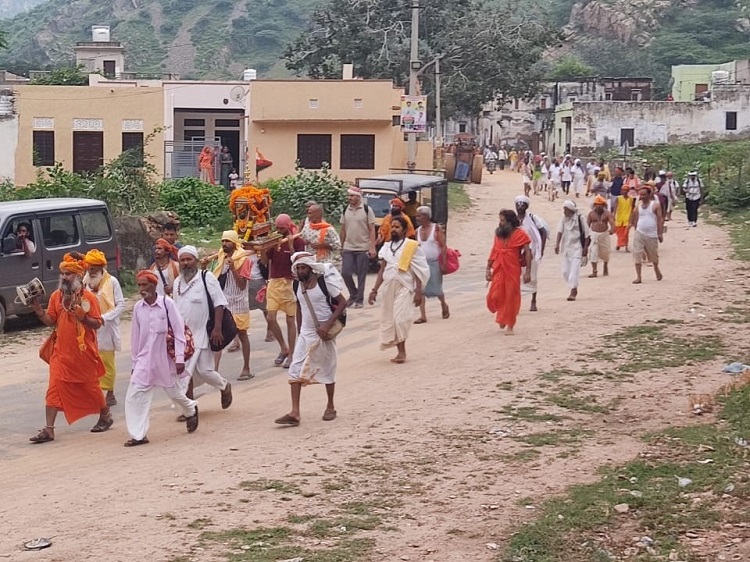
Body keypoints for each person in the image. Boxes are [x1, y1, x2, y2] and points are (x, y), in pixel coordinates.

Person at [28, 252, 113, 443]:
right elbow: (51, 320)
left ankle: (105, 414)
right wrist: (38, 310)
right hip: (61, 353)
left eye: (69, 274)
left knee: (90, 387)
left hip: (83, 353)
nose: (64, 277)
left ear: (78, 275)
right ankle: (49, 430)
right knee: (53, 388)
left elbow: (97, 324)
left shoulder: (88, 298)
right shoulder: (56, 296)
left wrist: (83, 318)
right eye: (63, 274)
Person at [124, 271, 199, 446]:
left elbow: (179, 332)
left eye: (145, 285)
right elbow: (135, 338)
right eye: (139, 285)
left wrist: (179, 358)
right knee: (135, 395)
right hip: (144, 359)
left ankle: (190, 409)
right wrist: (135, 363)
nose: (141, 289)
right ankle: (138, 435)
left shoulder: (167, 303)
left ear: (154, 285)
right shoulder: (138, 308)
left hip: (165, 359)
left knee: (174, 393)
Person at [274, 252, 347, 427]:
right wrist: (300, 330)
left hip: (324, 332)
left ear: (311, 268)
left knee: (328, 368)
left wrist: (327, 325)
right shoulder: (297, 285)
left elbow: (343, 302)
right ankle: (295, 412)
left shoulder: (324, 283)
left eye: (303, 268)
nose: (300, 271)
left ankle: (330, 406)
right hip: (306, 333)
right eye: (298, 268)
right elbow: (300, 307)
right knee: (295, 369)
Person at [173, 245, 234, 411]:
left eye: (189, 259)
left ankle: (224, 386)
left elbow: (219, 303)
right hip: (183, 336)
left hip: (202, 333)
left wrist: (217, 328)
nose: (185, 263)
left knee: (206, 371)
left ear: (196, 261)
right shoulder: (177, 283)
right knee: (185, 372)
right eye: (182, 260)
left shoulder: (206, 277)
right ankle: (189, 409)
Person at [368, 216, 429, 364]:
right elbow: (382, 270)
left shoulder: (412, 246)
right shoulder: (386, 247)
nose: (394, 229)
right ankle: (399, 350)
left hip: (405, 287)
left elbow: (418, 270)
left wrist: (419, 291)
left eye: (397, 227)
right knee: (390, 319)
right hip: (389, 287)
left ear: (404, 230)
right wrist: (374, 290)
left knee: (400, 319)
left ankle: (402, 352)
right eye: (392, 227)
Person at [262, 215, 305, 368]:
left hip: (290, 282)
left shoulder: (298, 240)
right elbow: (265, 262)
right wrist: (264, 249)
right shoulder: (274, 240)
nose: (279, 230)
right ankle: (283, 348)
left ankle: (292, 353)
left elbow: (299, 263)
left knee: (290, 320)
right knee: (270, 318)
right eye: (277, 228)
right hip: (274, 282)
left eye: (282, 228)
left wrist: (291, 246)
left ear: (288, 226)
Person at [83, 249, 125, 407]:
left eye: (93, 267)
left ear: (101, 267)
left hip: (106, 327)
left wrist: (103, 318)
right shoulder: (85, 282)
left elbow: (121, 305)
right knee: (90, 361)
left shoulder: (112, 282)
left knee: (107, 362)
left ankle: (110, 394)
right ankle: (96, 394)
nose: (90, 270)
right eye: (89, 267)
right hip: (89, 326)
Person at [213, 231, 253, 381]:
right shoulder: (221, 257)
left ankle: (246, 368)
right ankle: (214, 372)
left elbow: (242, 285)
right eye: (223, 241)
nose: (224, 244)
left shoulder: (244, 260)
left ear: (234, 243)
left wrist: (233, 269)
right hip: (224, 302)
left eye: (227, 241)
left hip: (239, 302)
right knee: (218, 335)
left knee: (242, 334)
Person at [486, 210, 532, 335]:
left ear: (510, 222)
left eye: (502, 221)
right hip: (499, 268)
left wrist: (528, 271)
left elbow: (528, 253)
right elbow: (494, 250)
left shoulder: (521, 234)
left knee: (511, 296)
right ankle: (502, 315)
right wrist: (488, 268)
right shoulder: (499, 234)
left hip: (513, 269)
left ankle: (510, 325)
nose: (500, 223)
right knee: (495, 295)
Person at [340, 186, 377, 308]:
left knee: (361, 275)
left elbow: (372, 229)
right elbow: (343, 229)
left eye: (352, 196)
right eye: (349, 196)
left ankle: (359, 300)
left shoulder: (367, 209)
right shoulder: (346, 209)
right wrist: (341, 245)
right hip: (348, 246)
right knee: (345, 273)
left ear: (358, 197)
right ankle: (353, 294)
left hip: (363, 247)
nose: (349, 198)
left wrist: (372, 247)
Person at [414, 206, 449, 323]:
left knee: (437, 288)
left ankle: (443, 304)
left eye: (419, 216)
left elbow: (443, 246)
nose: (417, 218)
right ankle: (423, 315)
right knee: (421, 289)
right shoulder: (417, 231)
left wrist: (443, 263)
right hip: (421, 264)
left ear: (426, 216)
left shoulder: (436, 229)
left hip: (434, 263)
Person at [515, 195, 547, 312]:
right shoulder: (513, 220)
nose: (520, 207)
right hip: (517, 252)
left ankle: (533, 300)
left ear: (526, 206)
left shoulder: (533, 218)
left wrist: (541, 249)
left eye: (522, 205)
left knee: (532, 275)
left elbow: (543, 232)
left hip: (532, 250)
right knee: (516, 277)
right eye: (518, 205)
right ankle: (516, 302)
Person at [555, 200, 590, 302]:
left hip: (577, 248)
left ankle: (573, 291)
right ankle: (573, 286)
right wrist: (557, 244)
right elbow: (560, 231)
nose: (564, 211)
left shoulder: (580, 218)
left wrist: (585, 249)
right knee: (565, 271)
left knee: (574, 270)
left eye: (566, 209)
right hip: (566, 247)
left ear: (570, 210)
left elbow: (587, 235)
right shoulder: (563, 218)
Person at [630, 185, 664, 284]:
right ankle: (638, 276)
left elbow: (660, 219)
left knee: (654, 255)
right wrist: (635, 228)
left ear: (649, 195)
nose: (642, 197)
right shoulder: (638, 206)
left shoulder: (655, 206)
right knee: (637, 254)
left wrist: (660, 233)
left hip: (651, 234)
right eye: (640, 195)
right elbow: (635, 219)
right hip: (640, 232)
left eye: (644, 194)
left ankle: (656, 268)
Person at [587, 195, 615, 278]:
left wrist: (612, 229)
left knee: (605, 252)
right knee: (593, 252)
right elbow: (587, 225)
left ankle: (605, 265)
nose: (598, 207)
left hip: (604, 234)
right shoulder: (591, 214)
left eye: (600, 205)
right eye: (597, 205)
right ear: (594, 205)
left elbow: (612, 222)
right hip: (594, 235)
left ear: (603, 205)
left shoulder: (607, 213)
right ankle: (594, 271)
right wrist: (586, 235)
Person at [612, 187, 634, 251]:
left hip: (627, 218)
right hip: (619, 218)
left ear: (628, 191)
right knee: (619, 233)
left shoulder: (631, 199)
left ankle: (626, 246)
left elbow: (632, 208)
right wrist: (614, 215)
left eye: (626, 190)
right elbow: (615, 207)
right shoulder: (618, 198)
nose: (625, 192)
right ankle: (619, 244)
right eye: (623, 190)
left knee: (626, 233)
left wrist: (632, 218)